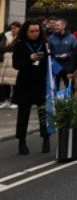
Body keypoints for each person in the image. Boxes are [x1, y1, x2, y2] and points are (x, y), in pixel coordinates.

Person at [12, 20, 50, 155]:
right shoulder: (20, 45)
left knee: (43, 113)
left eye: (37, 31)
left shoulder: (44, 45)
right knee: (23, 114)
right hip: (25, 84)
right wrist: (30, 59)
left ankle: (46, 138)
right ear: (26, 32)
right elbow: (16, 65)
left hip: (40, 83)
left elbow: (49, 64)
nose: (35, 34)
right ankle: (21, 141)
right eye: (32, 31)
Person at [48, 18, 77, 89]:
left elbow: (76, 51)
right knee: (54, 88)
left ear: (63, 26)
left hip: (67, 67)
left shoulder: (72, 38)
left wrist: (68, 54)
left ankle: (69, 100)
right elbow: (48, 51)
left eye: (57, 25)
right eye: (55, 25)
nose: (55, 27)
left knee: (70, 87)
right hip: (55, 66)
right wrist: (53, 55)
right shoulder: (51, 38)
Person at [1, 22, 21, 109]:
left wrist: (7, 47)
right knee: (5, 82)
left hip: (14, 61)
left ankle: (15, 101)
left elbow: (16, 47)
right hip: (5, 62)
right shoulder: (6, 35)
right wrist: (8, 48)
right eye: (12, 28)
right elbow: (1, 47)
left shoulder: (21, 37)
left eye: (15, 28)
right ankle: (6, 100)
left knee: (15, 83)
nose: (13, 30)